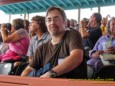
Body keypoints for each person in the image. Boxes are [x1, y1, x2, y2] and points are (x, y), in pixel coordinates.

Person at [21, 6, 84, 78]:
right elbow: (27, 70)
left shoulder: (72, 34)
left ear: (65, 22)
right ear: (46, 24)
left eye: (56, 19)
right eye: (49, 20)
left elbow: (76, 57)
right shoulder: (41, 49)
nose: (52, 23)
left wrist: (50, 74)